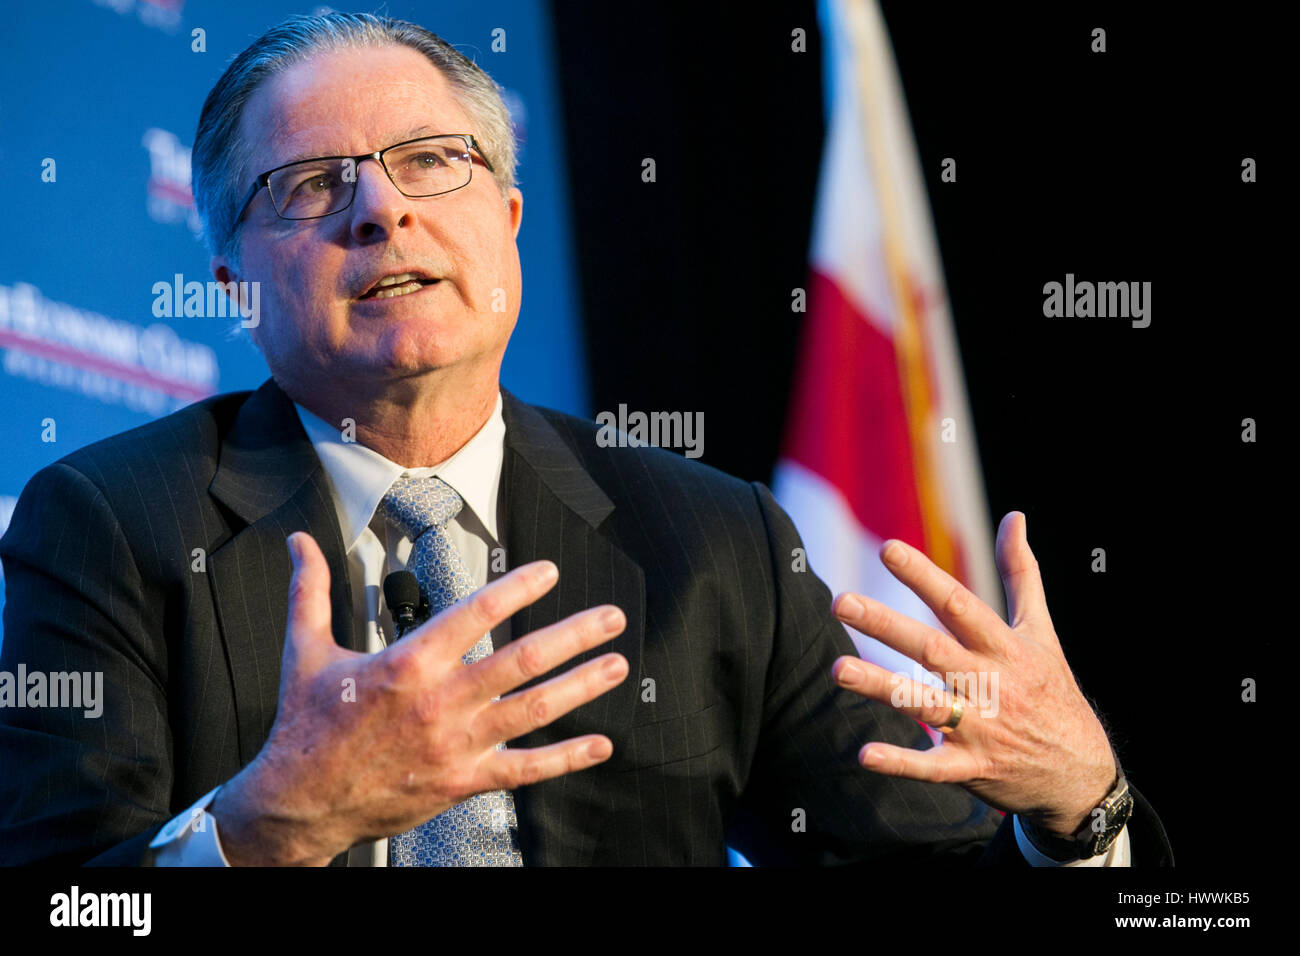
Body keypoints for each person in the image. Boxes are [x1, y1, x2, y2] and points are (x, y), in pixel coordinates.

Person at [0, 12, 1169, 867]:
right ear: (230, 275)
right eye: (310, 184)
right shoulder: (110, 520)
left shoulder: (715, 538)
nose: (380, 208)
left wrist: (1082, 808)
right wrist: (260, 829)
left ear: (507, 224)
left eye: (429, 161)